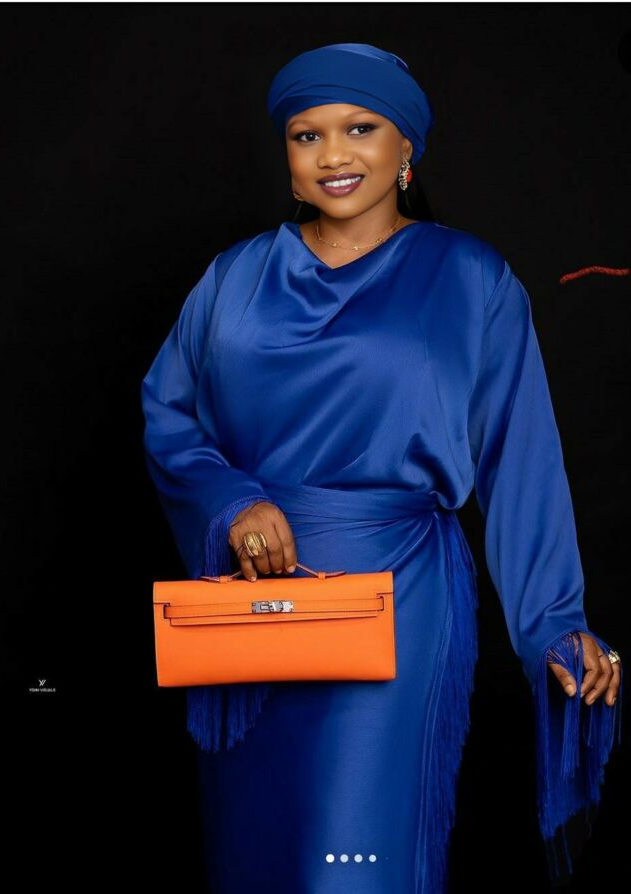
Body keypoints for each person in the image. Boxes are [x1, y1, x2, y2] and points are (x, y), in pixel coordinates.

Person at [140, 43, 622, 894]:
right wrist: (232, 502)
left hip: (398, 602)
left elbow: (521, 461)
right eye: (307, 135)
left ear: (407, 148)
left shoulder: (471, 279)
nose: (332, 154)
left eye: (360, 128)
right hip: (251, 605)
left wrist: (554, 621)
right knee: (258, 859)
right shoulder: (234, 278)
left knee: (352, 864)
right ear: (288, 156)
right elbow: (168, 414)